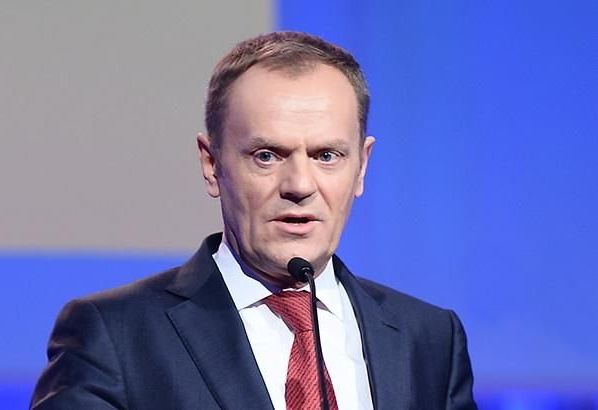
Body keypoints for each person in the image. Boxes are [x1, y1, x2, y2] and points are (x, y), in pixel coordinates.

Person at [31, 31, 477, 409]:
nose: (299, 184)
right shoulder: (115, 336)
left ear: (361, 167)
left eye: (327, 155)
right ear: (212, 164)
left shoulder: (430, 340)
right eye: (267, 155)